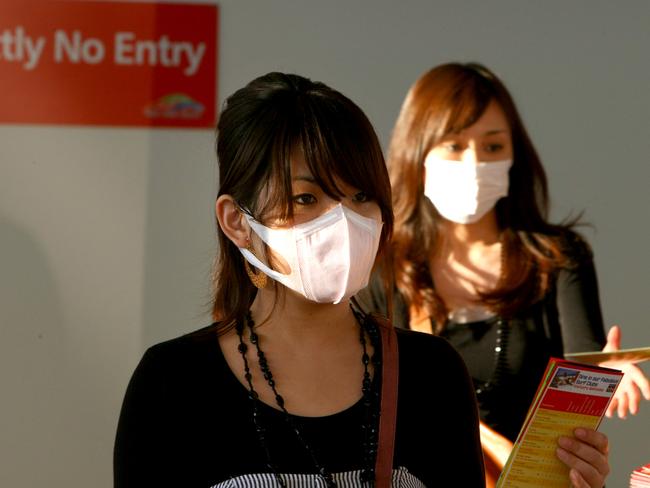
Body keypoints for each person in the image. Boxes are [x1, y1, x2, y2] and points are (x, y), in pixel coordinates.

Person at [114, 72, 487, 487]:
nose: (342, 220)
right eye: (306, 199)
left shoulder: (432, 374)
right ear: (237, 221)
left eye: (361, 196)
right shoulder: (174, 381)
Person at [356, 62, 639, 488]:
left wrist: (604, 374)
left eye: (492, 147)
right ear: (418, 153)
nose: (474, 163)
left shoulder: (557, 258)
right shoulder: (381, 265)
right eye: (453, 145)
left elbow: (584, 360)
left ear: (514, 156)